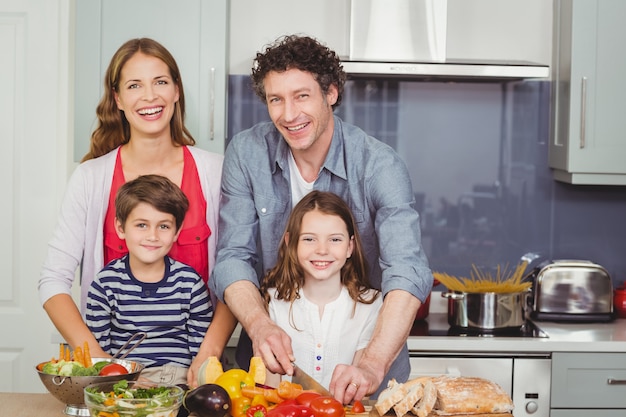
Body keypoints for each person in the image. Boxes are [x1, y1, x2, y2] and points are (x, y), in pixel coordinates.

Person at [206, 34, 433, 404]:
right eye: (276, 99)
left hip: (366, 385)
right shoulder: (247, 154)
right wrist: (260, 326)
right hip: (272, 382)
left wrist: (372, 364)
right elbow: (233, 259)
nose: (288, 114)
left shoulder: (379, 165)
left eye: (302, 96)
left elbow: (406, 269)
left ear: (330, 93)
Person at [37, 38, 234, 386]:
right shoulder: (91, 178)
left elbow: (237, 272)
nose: (150, 96)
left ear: (176, 90)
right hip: (113, 375)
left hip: (195, 369)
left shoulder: (216, 172)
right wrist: (99, 364)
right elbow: (53, 280)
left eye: (160, 82)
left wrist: (209, 353)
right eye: (134, 85)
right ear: (118, 99)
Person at [86, 175, 212, 384]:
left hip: (178, 378)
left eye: (163, 226)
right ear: (120, 228)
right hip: (126, 378)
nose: (152, 236)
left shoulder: (189, 283)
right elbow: (100, 356)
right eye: (142, 225)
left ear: (176, 232)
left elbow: (202, 354)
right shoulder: (105, 284)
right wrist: (126, 382)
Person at [260, 190, 382, 389]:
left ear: (350, 247)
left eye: (335, 239)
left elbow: (359, 389)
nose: (322, 250)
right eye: (309, 239)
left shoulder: (371, 304)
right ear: (291, 243)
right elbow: (270, 390)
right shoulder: (274, 301)